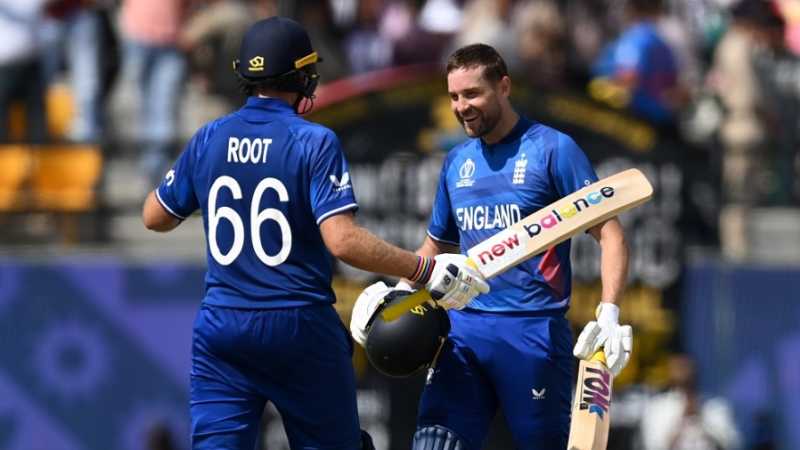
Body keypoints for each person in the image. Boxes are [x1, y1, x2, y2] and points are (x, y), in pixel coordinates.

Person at [141, 16, 488, 450]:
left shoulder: (209, 137)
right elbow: (341, 240)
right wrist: (423, 269)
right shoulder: (313, 141)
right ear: (299, 75)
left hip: (223, 324)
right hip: (297, 323)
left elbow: (154, 216)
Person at [351, 43, 633, 449]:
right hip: (463, 331)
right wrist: (397, 295)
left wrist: (609, 313)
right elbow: (436, 243)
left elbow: (610, 233)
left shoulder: (553, 149)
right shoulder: (457, 161)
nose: (461, 107)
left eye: (472, 94)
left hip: (533, 334)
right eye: (454, 96)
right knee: (433, 443)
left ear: (504, 86)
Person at [639, 354, 741, 450]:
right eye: (678, 367)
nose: (683, 370)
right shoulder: (657, 407)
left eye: (685, 367)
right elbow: (653, 446)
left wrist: (702, 419)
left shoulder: (715, 406)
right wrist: (681, 419)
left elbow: (732, 444)